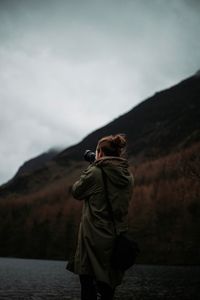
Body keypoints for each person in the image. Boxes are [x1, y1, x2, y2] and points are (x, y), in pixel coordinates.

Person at [66, 134, 134, 300]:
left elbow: (76, 191)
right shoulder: (129, 177)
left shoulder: (95, 172)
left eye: (97, 152)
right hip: (116, 237)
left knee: (87, 282)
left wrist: (93, 166)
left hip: (93, 237)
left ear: (100, 153)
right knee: (107, 285)